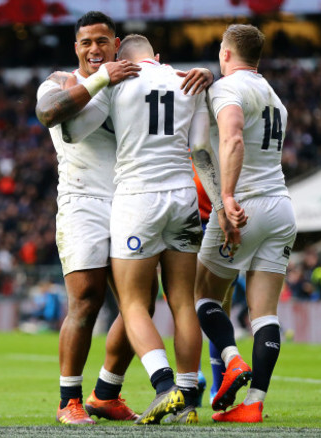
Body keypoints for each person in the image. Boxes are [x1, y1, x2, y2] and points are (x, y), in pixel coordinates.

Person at [35, 12, 212, 425]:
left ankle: (106, 393)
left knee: (143, 303)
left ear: (117, 44)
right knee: (87, 298)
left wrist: (198, 75)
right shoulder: (61, 81)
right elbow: (48, 114)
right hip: (82, 200)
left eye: (102, 41)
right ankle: (68, 401)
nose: (94, 49)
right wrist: (102, 79)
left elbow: (168, 93)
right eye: (86, 43)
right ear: (75, 48)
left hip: (130, 201)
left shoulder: (134, 83)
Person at [194, 24, 297, 423]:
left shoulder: (227, 89)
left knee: (201, 294)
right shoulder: (274, 96)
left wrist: (229, 197)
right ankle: (253, 403)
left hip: (246, 206)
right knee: (264, 314)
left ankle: (232, 359)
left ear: (225, 54)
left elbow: (232, 137)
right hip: (282, 208)